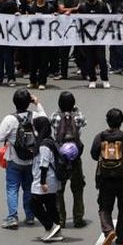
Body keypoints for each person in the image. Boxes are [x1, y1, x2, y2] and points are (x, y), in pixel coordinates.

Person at [90, 107, 123, 245]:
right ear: (121, 121)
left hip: (105, 180)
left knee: (104, 208)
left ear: (107, 121)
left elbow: (94, 155)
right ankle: (122, 239)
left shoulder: (100, 137)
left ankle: (108, 230)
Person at [0, 88, 45, 229]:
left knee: (12, 188)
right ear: (29, 102)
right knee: (28, 187)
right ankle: (30, 216)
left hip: (14, 158)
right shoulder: (35, 116)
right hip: (31, 158)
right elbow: (46, 120)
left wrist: (11, 138)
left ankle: (12, 217)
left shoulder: (9, 119)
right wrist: (38, 103)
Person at [51, 91, 87, 229]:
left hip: (60, 156)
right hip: (75, 155)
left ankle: (60, 219)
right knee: (77, 188)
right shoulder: (78, 116)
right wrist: (74, 110)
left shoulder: (55, 116)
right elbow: (84, 121)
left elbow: (51, 123)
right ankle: (78, 218)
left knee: (59, 189)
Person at [30, 115, 63, 243]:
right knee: (51, 205)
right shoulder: (50, 141)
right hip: (52, 180)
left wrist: (43, 182)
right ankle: (56, 232)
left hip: (45, 180)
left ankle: (50, 226)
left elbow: (44, 164)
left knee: (33, 204)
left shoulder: (44, 145)